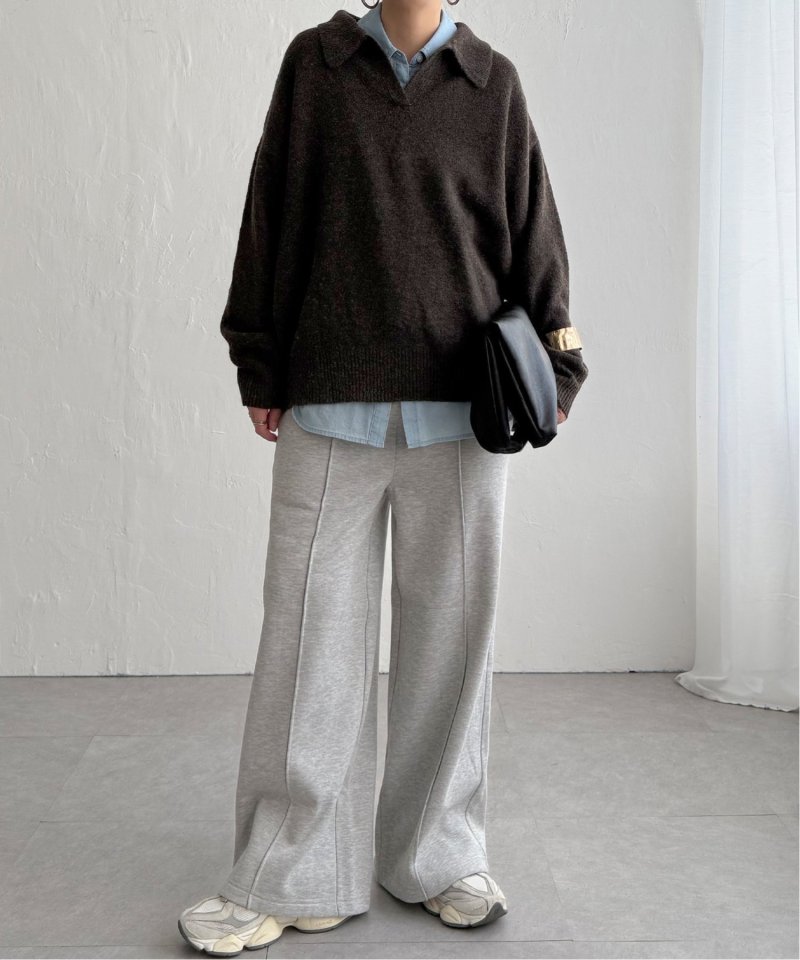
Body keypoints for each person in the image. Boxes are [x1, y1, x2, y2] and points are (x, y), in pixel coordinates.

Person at [179, 0, 588, 954]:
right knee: (305, 650)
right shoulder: (315, 67)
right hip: (329, 401)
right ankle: (293, 874)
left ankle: (439, 858)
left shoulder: (492, 85)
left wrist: (559, 366)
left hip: (467, 414)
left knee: (452, 646)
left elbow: (535, 235)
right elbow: (269, 216)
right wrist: (259, 363)